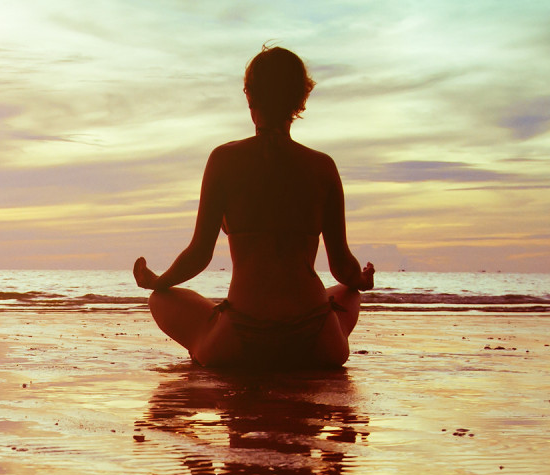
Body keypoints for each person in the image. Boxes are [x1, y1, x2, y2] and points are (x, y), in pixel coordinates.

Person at [133, 46, 375, 369]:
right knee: (349, 293)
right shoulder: (322, 167)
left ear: (250, 97)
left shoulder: (223, 160)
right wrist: (361, 278)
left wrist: (158, 280)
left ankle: (208, 343)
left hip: (241, 340)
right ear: (300, 101)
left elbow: (199, 254)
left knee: (160, 299)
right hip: (316, 339)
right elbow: (341, 266)